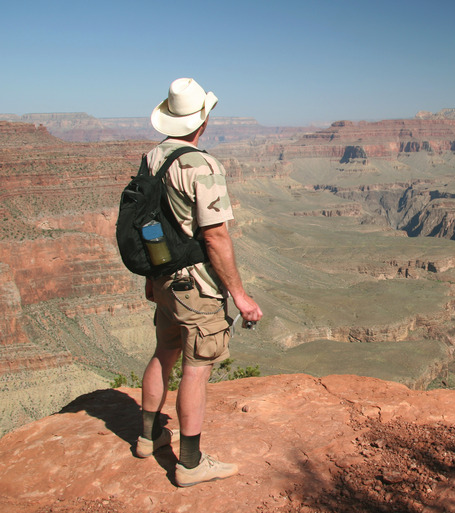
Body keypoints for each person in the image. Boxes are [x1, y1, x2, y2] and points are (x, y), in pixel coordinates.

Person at [134, 77, 263, 487]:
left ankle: (148, 436)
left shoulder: (152, 158)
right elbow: (215, 235)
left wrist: (153, 278)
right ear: (202, 121)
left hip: (163, 277)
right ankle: (189, 464)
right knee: (196, 369)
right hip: (196, 287)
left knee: (164, 351)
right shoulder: (202, 165)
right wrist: (239, 296)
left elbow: (146, 222)